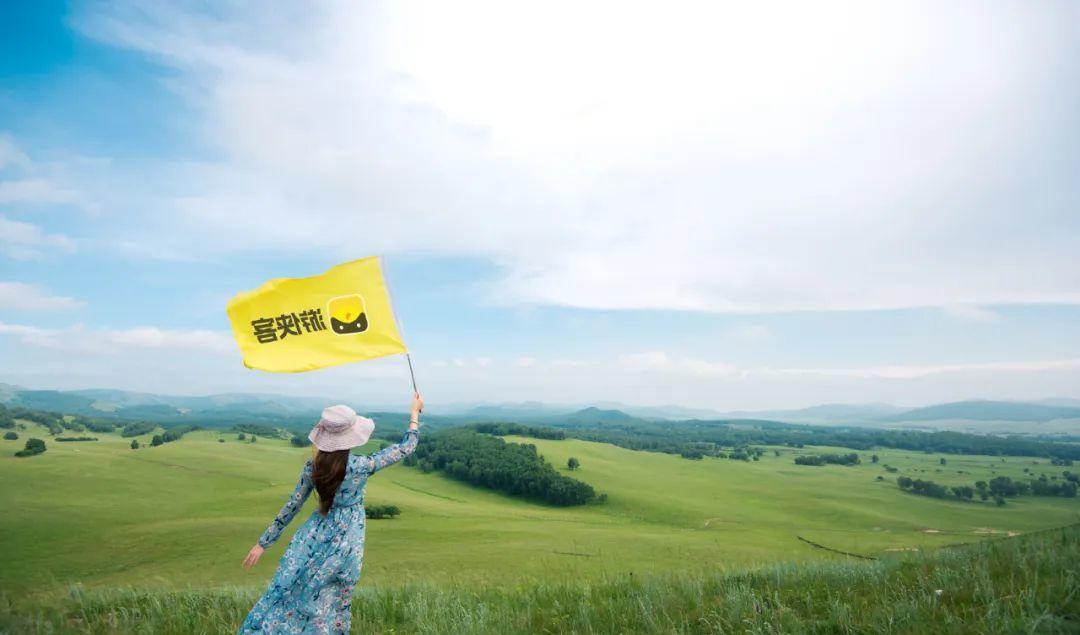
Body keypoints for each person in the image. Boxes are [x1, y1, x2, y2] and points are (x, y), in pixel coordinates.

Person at [238, 393, 423, 634]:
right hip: (347, 541)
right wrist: (414, 414)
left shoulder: (312, 468)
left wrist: (262, 543)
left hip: (314, 535)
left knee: (291, 590)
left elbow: (292, 506)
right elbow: (406, 447)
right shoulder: (361, 466)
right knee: (334, 600)